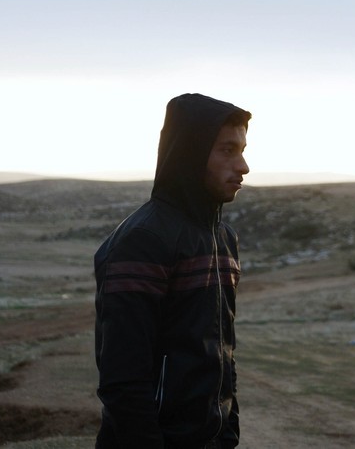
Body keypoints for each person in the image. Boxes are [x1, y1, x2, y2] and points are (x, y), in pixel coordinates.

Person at [94, 93, 251, 448]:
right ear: (191, 154)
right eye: (227, 151)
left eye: (242, 150)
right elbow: (123, 380)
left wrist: (228, 433)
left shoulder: (223, 238)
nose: (243, 166)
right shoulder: (144, 240)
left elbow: (223, 353)